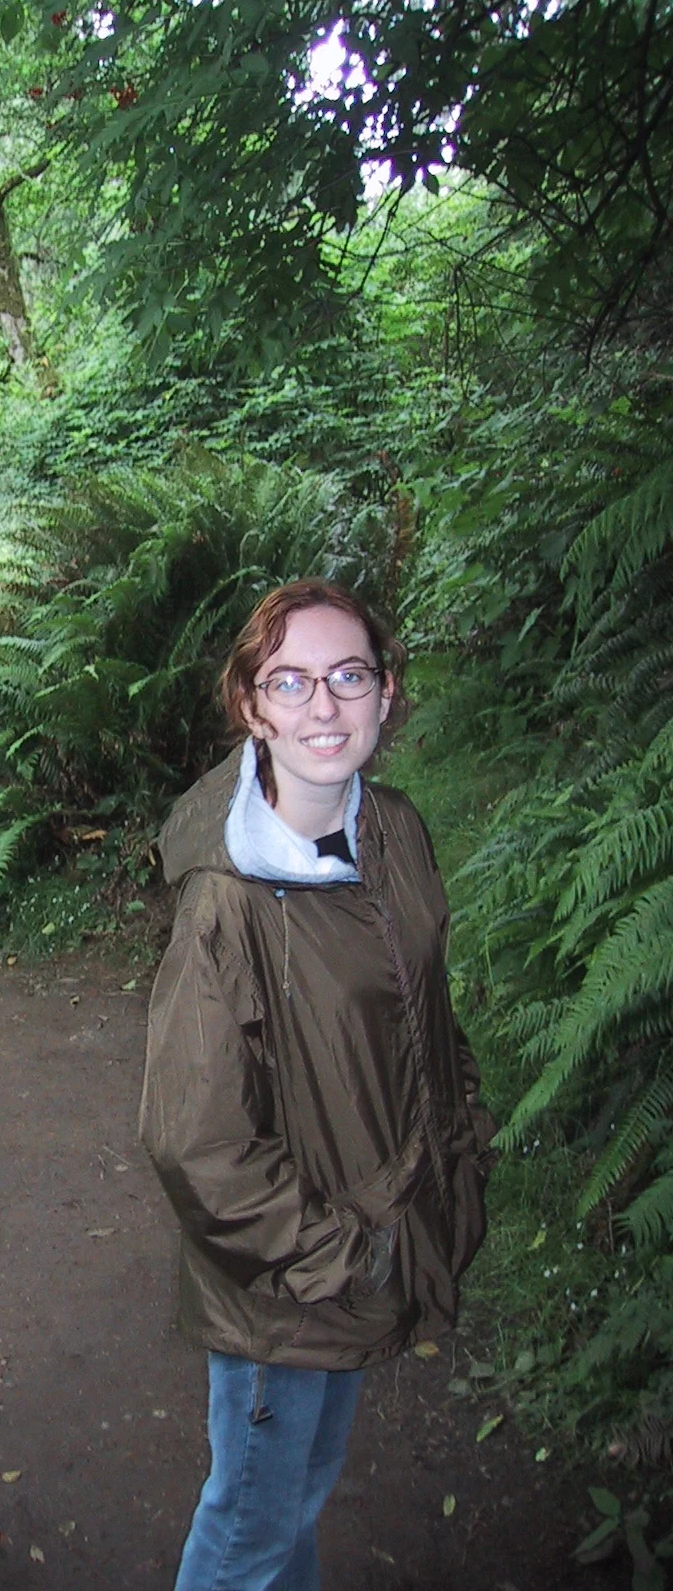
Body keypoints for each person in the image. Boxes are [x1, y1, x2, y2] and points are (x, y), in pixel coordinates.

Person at [139, 578, 495, 1591]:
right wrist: (339, 1256)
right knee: (250, 1526)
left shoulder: (395, 833)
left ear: (386, 693)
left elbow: (428, 1011)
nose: (323, 707)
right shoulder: (228, 900)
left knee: (300, 1495)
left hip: (376, 1234)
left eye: (347, 676)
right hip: (286, 1284)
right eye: (289, 682)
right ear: (252, 706)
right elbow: (192, 1141)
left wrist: (461, 1139)